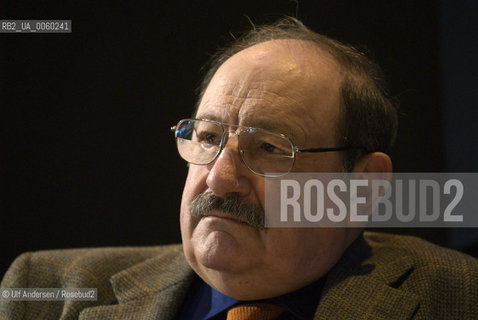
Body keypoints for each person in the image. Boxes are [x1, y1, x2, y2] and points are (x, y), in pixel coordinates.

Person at [1, 17, 477, 320]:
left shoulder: (459, 298)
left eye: (270, 147)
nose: (220, 177)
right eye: (208, 138)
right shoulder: (45, 291)